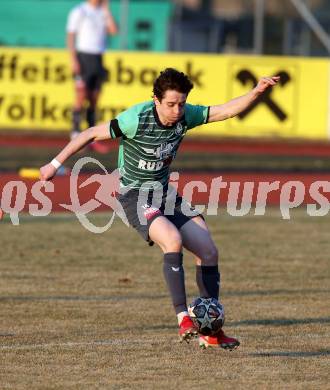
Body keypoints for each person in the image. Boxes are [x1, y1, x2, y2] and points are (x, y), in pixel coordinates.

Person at [40, 68, 279, 349]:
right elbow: (91, 133)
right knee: (173, 240)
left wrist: (256, 92)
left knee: (209, 250)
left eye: (181, 103)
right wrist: (54, 165)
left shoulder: (185, 114)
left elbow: (225, 111)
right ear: (155, 99)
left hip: (165, 194)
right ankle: (183, 319)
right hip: (134, 196)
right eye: (170, 104)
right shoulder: (136, 119)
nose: (177, 110)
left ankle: (210, 332)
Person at [66, 0, 117, 145]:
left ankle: (91, 135)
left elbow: (113, 30)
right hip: (83, 57)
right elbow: (70, 36)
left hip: (98, 58)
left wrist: (107, 10)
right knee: (81, 96)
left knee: (95, 98)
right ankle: (75, 131)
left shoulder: (103, 11)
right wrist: (73, 59)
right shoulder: (80, 11)